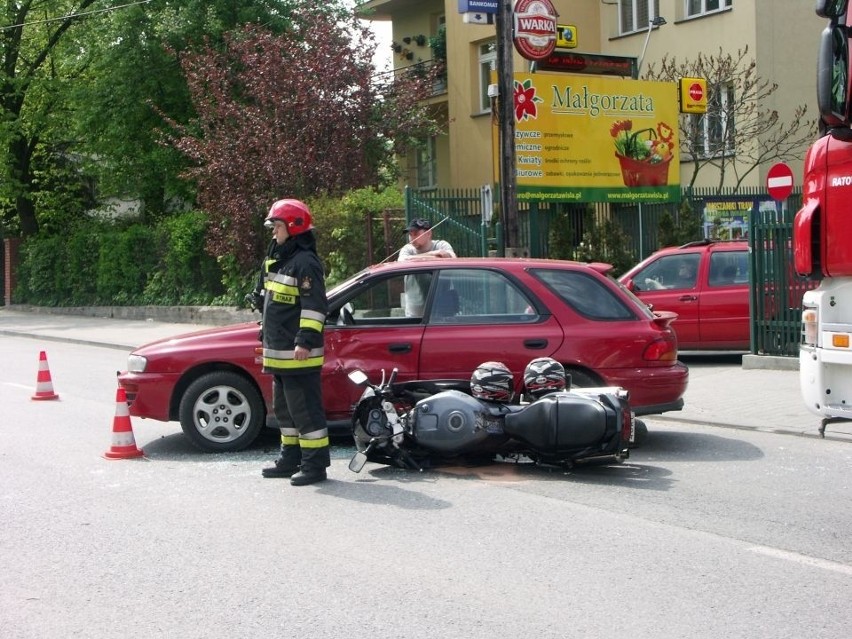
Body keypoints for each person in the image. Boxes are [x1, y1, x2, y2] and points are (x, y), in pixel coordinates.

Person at [258, 199, 330, 486]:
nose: (274, 233)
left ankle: (315, 467)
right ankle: (290, 459)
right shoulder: (283, 260)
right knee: (285, 412)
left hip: (299, 354)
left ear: (293, 227)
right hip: (279, 352)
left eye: (277, 226)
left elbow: (315, 308)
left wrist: (305, 341)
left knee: (306, 412)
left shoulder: (305, 263)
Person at [398, 218, 456, 317]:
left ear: (428, 233)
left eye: (415, 234)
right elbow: (402, 262)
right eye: (410, 234)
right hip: (415, 311)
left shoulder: (441, 245)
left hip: (442, 308)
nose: (412, 238)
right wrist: (433, 254)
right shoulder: (407, 249)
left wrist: (416, 259)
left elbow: (453, 259)